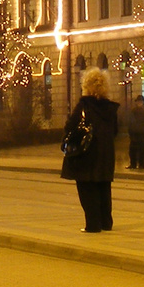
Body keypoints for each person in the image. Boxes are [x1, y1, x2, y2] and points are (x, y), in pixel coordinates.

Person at [60, 68, 119, 233]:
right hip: (106, 155)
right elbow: (114, 131)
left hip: (85, 155)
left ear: (86, 85)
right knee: (103, 187)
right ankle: (106, 222)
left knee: (87, 188)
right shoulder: (110, 109)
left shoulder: (84, 106)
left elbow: (70, 126)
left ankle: (92, 225)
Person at [127, 95, 144, 170]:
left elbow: (131, 122)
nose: (139, 103)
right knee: (137, 150)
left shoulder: (135, 110)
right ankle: (138, 165)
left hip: (139, 133)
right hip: (139, 133)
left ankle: (135, 164)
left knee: (136, 150)